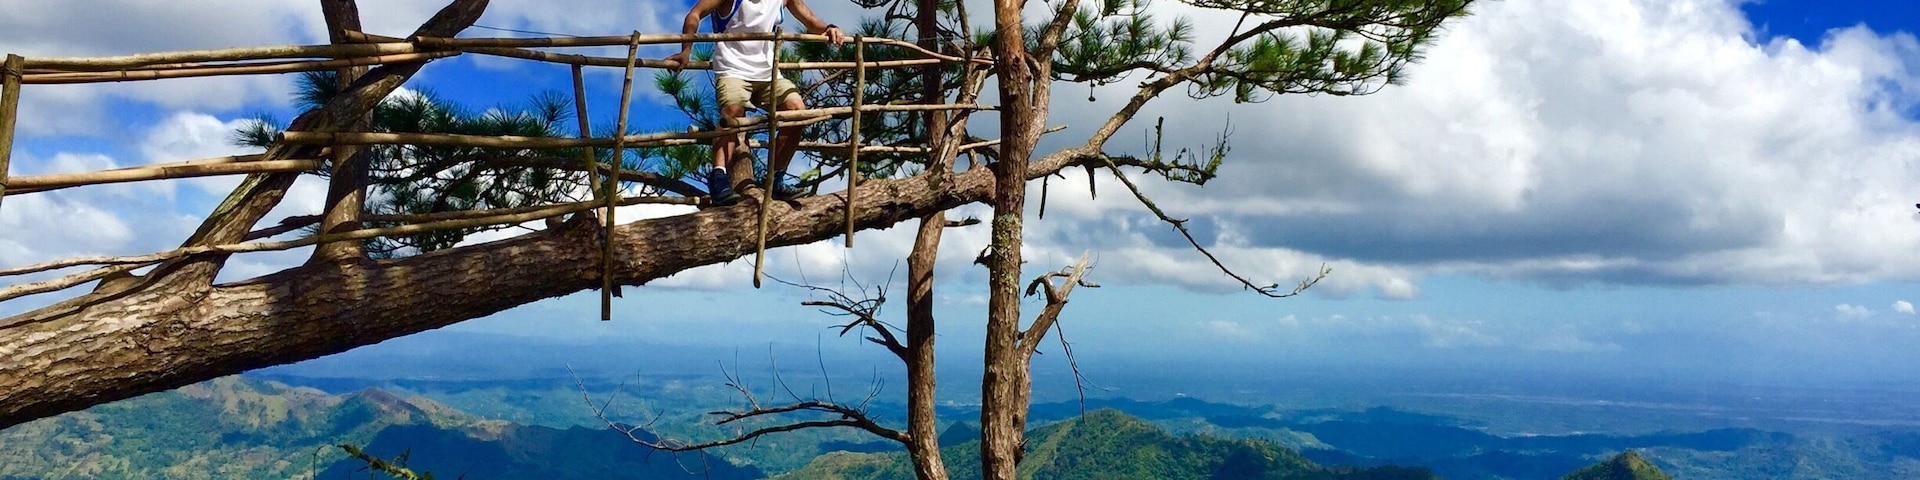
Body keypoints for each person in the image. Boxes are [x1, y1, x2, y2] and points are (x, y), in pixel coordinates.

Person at [665, 0, 846, 205]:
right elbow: (695, 14)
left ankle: (775, 178)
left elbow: (812, 21)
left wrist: (830, 29)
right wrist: (686, 50)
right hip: (732, 69)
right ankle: (718, 177)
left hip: (767, 72)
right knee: (732, 113)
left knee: (797, 111)